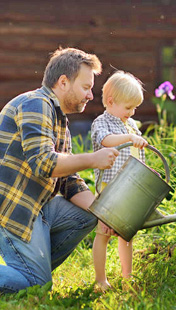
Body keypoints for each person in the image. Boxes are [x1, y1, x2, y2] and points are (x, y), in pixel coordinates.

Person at [0, 47, 119, 293]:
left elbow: (68, 181)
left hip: (36, 205)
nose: (90, 95)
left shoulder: (58, 119)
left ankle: (30, 269)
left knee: (88, 214)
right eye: (86, 87)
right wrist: (93, 159)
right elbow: (43, 163)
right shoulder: (35, 104)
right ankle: (31, 275)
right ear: (63, 82)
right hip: (13, 208)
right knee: (36, 285)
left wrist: (108, 214)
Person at [91, 70, 148, 290]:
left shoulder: (131, 124)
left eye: (135, 108)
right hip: (109, 190)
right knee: (103, 235)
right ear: (111, 101)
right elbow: (106, 141)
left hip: (129, 190)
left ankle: (127, 276)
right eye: (128, 107)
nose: (132, 112)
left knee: (126, 235)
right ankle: (100, 279)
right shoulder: (101, 122)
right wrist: (130, 138)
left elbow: (136, 155)